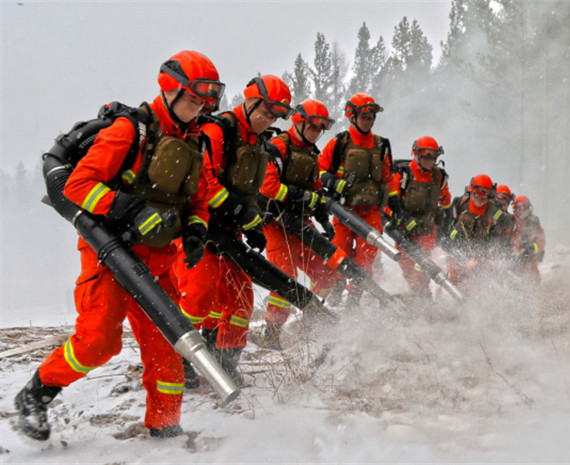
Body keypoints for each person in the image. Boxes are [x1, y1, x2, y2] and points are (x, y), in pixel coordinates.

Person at [15, 50, 223, 440]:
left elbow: (198, 198)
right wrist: (126, 208)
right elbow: (77, 185)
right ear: (171, 90)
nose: (199, 107)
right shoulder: (130, 130)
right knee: (98, 342)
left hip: (159, 258)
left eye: (205, 101)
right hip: (109, 253)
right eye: (193, 98)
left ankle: (166, 431)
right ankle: (36, 394)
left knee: (168, 347)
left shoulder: (196, 141)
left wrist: (196, 229)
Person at [173, 75, 291, 383]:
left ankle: (226, 362)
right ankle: (178, 362)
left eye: (277, 115)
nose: (270, 119)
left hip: (231, 233)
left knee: (241, 301)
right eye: (267, 111)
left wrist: (254, 222)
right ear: (251, 102)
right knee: (198, 299)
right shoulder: (218, 130)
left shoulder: (258, 143)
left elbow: (252, 189)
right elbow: (205, 184)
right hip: (201, 229)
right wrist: (241, 213)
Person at [259, 98, 339, 348]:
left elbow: (316, 188)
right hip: (275, 222)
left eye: (321, 129)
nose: (317, 133)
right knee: (285, 277)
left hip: (300, 222)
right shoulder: (277, 147)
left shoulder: (311, 154)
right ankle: (272, 333)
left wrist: (324, 217)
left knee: (327, 272)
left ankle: (313, 319)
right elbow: (268, 186)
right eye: (314, 127)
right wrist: (299, 196)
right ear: (300, 122)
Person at [317, 93, 398, 307]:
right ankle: (337, 286)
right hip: (344, 209)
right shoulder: (340, 143)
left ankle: (354, 299)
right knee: (339, 250)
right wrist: (335, 183)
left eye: (371, 115)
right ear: (352, 116)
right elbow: (319, 170)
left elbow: (389, 178)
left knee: (366, 256)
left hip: (371, 210)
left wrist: (394, 205)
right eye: (364, 114)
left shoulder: (382, 145)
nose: (368, 119)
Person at [388, 136, 452, 298]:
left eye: (433, 155)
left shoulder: (440, 177)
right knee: (407, 268)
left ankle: (424, 297)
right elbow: (389, 202)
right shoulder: (403, 174)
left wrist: (445, 221)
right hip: (404, 231)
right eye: (425, 154)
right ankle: (418, 296)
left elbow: (446, 201)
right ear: (416, 154)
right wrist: (403, 219)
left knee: (421, 266)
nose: (429, 159)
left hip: (427, 230)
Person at [445, 174, 510, 284]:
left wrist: (502, 219)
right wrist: (452, 240)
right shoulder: (460, 203)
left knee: (477, 277)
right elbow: (446, 226)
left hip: (482, 251)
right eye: (478, 193)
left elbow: (506, 226)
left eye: (484, 194)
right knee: (454, 275)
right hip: (459, 248)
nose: (480, 198)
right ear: (472, 191)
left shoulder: (493, 209)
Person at [511, 195, 546, 284]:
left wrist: (532, 248)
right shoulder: (510, 220)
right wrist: (516, 250)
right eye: (519, 207)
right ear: (514, 208)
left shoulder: (534, 221)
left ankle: (535, 289)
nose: (521, 209)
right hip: (513, 257)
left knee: (532, 272)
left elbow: (541, 239)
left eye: (524, 206)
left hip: (530, 256)